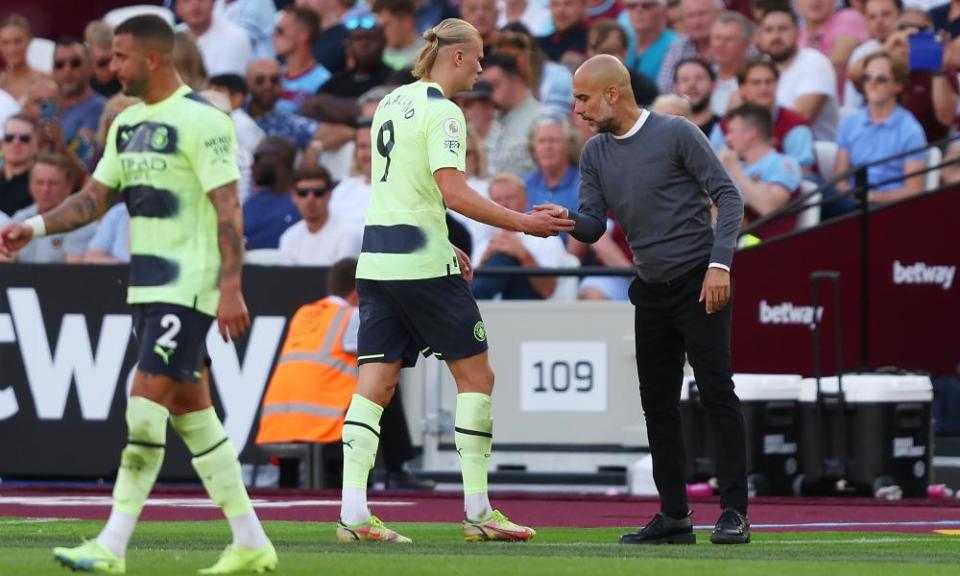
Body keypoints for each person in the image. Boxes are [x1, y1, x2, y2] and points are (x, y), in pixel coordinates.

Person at [0, 15, 277, 573]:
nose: (111, 68)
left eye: (119, 58)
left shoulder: (205, 120)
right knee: (194, 416)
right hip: (148, 286)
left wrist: (230, 287)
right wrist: (34, 228)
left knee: (144, 408)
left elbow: (228, 206)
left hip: (191, 283)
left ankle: (112, 544)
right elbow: (96, 199)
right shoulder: (127, 126)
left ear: (151, 58)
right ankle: (251, 543)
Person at [337, 17, 572, 543]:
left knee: (373, 385)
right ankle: (479, 511)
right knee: (477, 378)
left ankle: (353, 514)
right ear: (458, 56)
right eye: (481, 56)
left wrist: (446, 243)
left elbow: (406, 190)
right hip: (422, 269)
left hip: (376, 263)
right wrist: (525, 224)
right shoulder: (445, 112)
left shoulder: (390, 104)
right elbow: (452, 191)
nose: (485, 67)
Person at [536, 54, 750, 545]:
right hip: (650, 287)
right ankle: (674, 515)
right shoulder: (594, 153)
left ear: (612, 93)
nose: (578, 110)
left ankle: (735, 511)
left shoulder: (676, 133)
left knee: (717, 393)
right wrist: (564, 217)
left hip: (699, 279)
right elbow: (593, 224)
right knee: (657, 405)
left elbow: (729, 196)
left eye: (584, 98)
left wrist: (720, 265)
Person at [256, 257, 433, 490]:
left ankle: (289, 485)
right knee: (384, 380)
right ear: (359, 291)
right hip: (323, 420)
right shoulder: (353, 316)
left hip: (280, 421)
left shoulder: (305, 313)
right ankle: (397, 469)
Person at [835, 51, 927, 206]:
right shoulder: (849, 122)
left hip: (888, 210)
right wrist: (852, 196)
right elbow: (839, 178)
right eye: (867, 77)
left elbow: (913, 190)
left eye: (881, 78)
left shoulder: (911, 130)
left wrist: (869, 197)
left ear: (898, 86)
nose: (872, 83)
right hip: (851, 203)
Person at [471, 173, 568, 299]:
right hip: (488, 313)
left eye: (510, 197)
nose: (504, 204)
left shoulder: (547, 239)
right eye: (497, 200)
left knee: (503, 258)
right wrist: (485, 258)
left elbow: (548, 290)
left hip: (528, 311)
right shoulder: (485, 243)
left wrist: (523, 255)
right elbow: (468, 287)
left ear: (525, 199)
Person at [717, 103, 803, 239]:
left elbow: (769, 207)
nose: (727, 138)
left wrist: (735, 170)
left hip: (767, 247)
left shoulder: (785, 165)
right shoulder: (740, 166)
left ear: (750, 134)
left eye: (731, 131)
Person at [759, 7, 839, 142]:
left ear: (798, 32)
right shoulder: (760, 66)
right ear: (760, 36)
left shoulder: (815, 62)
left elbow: (798, 120)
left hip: (808, 152)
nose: (775, 36)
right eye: (768, 30)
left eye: (783, 29)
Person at [11, 153, 97, 263]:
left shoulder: (81, 223)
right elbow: (7, 261)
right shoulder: (19, 218)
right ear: (30, 185)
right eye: (40, 182)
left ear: (68, 186)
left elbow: (75, 270)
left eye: (53, 183)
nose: (45, 189)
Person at [279, 164, 360, 265]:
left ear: (330, 194)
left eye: (318, 192)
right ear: (294, 196)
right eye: (303, 193)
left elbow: (342, 279)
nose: (310, 199)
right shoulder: (289, 237)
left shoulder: (348, 234)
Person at [243, 136, 302, 249]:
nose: (252, 166)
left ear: (277, 158)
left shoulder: (307, 198)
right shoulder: (250, 205)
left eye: (256, 158)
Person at [274, 6, 331, 114]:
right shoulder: (272, 77)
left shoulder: (324, 81)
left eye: (280, 31)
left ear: (303, 35)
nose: (274, 35)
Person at [176, 0, 253, 76]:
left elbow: (224, 85)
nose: (195, 4)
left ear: (214, 4)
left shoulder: (236, 37)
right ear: (178, 8)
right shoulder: (174, 37)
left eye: (201, 0)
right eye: (187, 0)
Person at [0, 15, 49, 103]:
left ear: (29, 40)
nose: (12, 49)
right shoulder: (1, 82)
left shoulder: (47, 81)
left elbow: (50, 115)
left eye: (17, 41)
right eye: (5, 42)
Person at [0, 114, 38, 217]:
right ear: (2, 143)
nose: (16, 142)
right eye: (9, 138)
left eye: (24, 138)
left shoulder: (42, 183)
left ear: (36, 144)